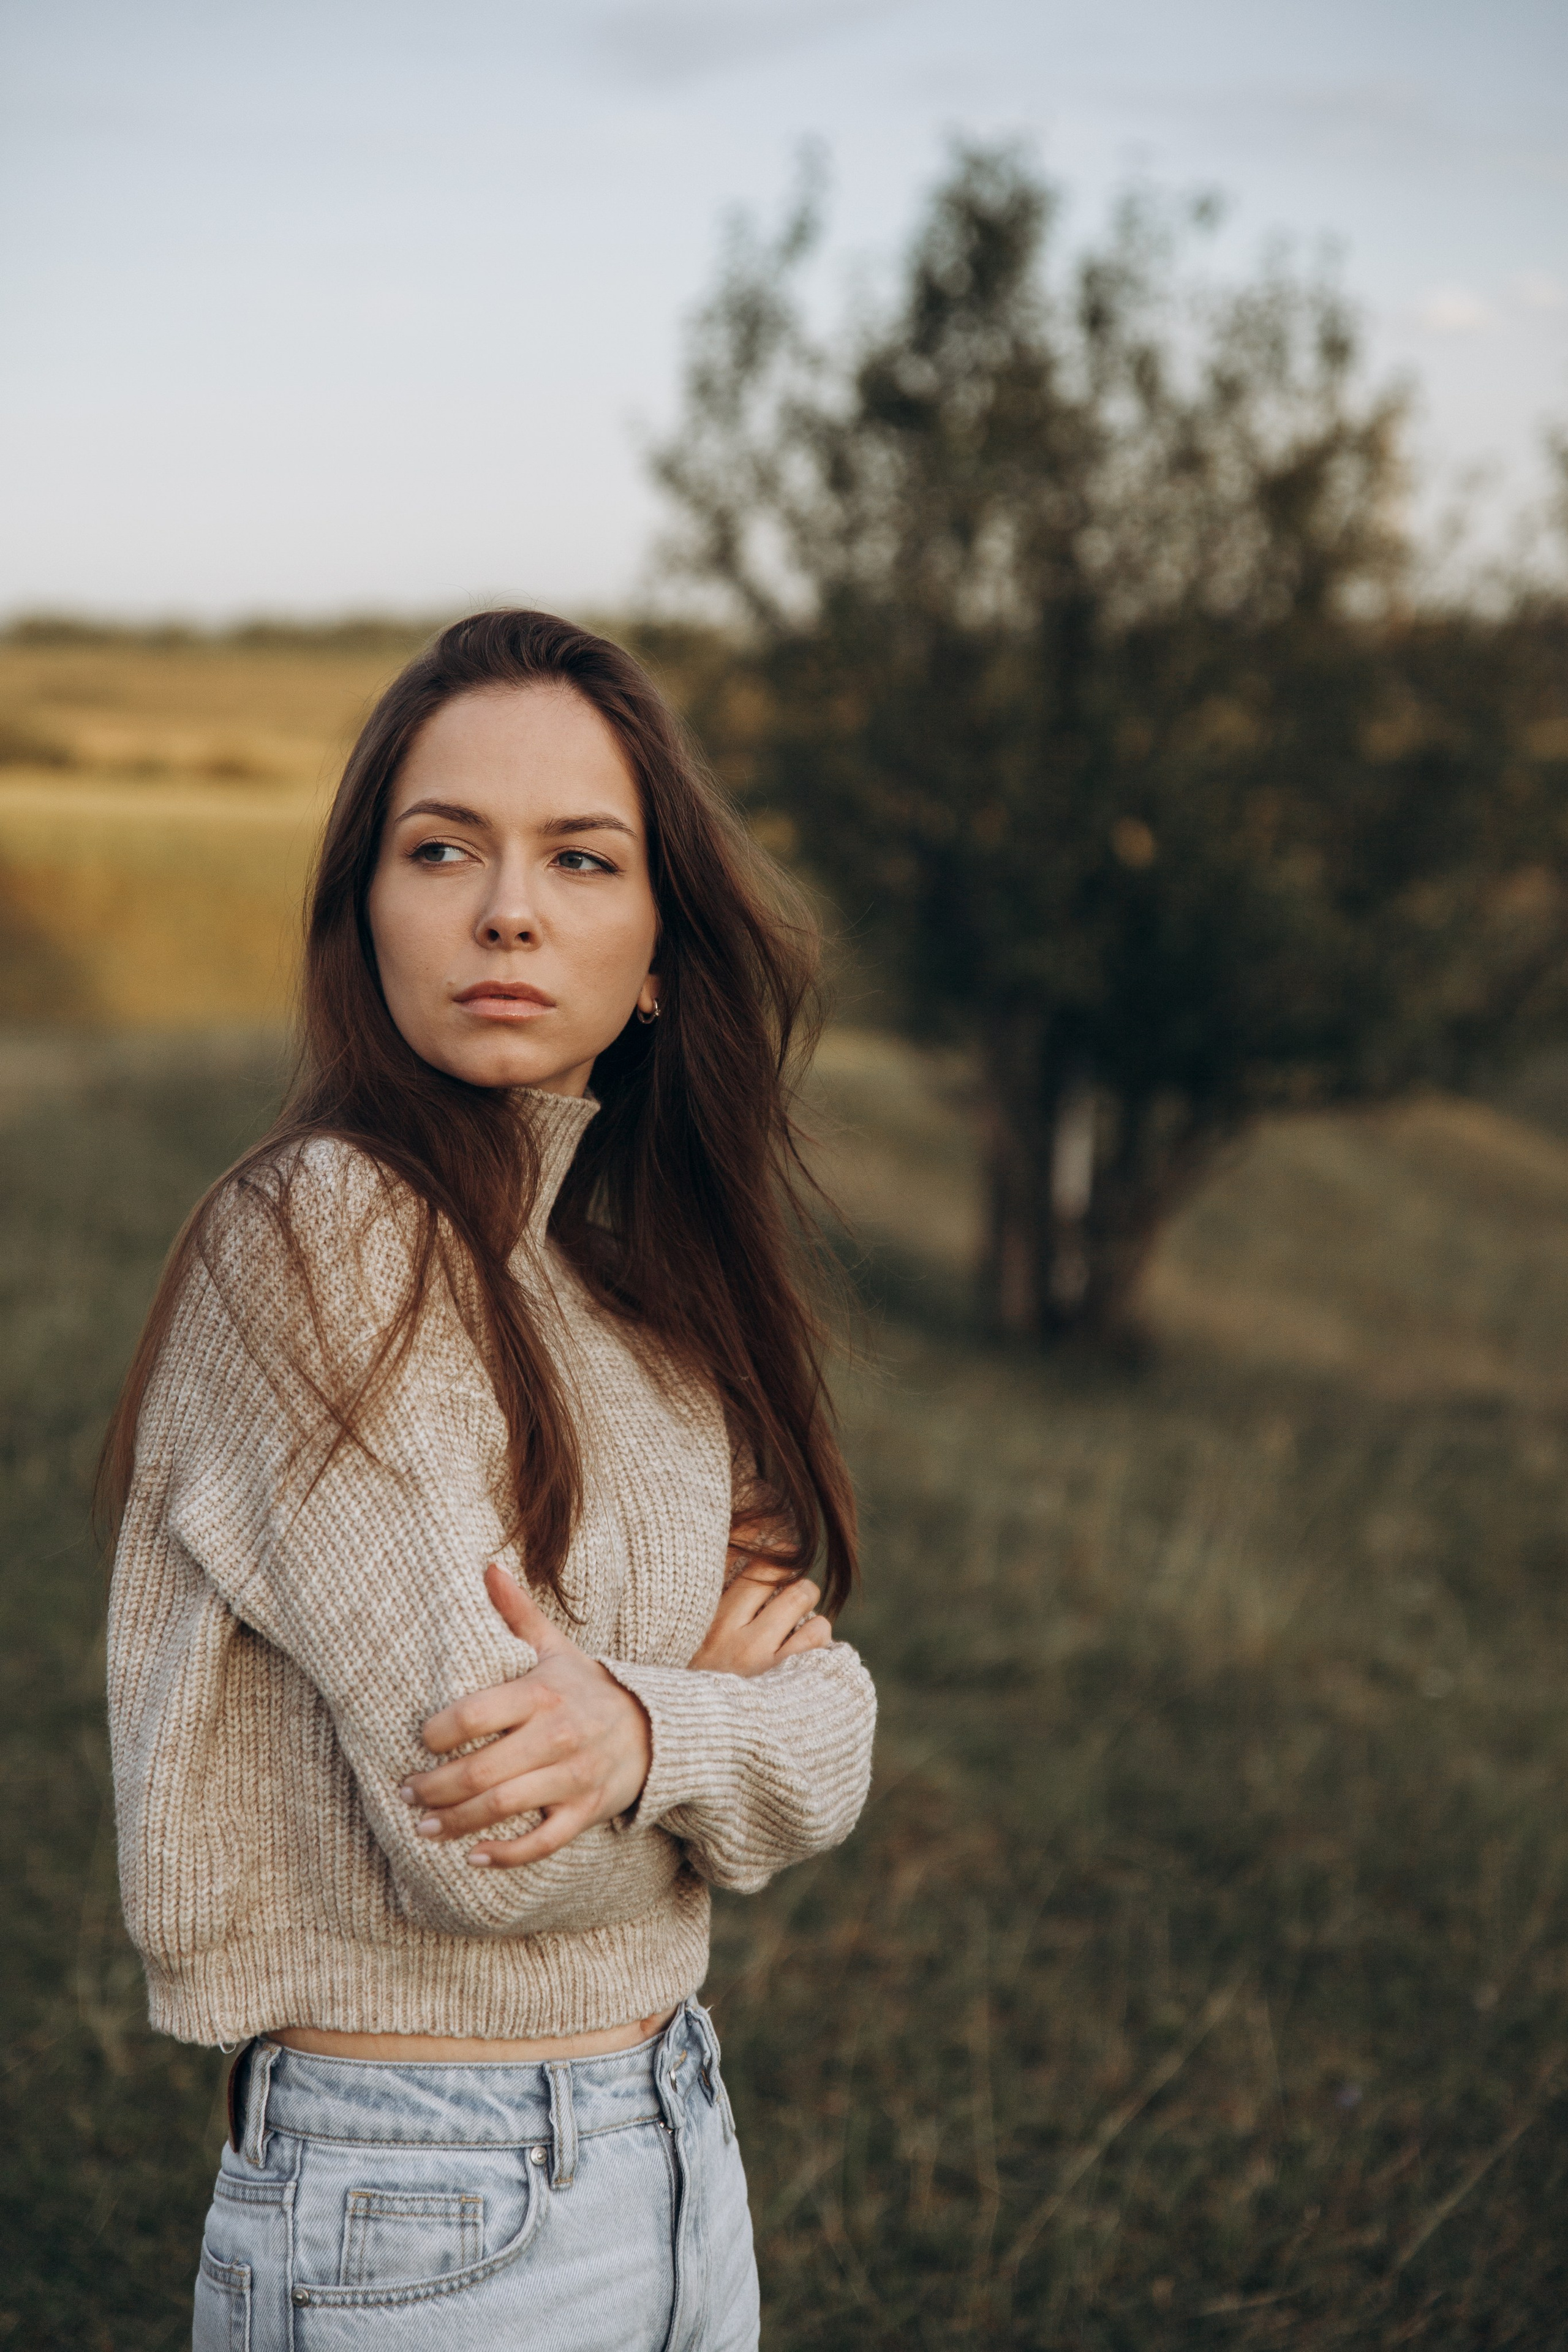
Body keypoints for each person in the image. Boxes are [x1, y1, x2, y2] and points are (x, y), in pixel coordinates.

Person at [100, 609, 876, 2352]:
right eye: (442, 849)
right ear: (364, 914)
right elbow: (500, 1859)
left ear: (660, 953)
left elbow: (839, 1737)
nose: (507, 910)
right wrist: (713, 1731)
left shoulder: (639, 1304)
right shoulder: (320, 1240)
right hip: (424, 2203)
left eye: (581, 859)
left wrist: (643, 1732)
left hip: (679, 2146)